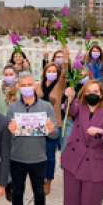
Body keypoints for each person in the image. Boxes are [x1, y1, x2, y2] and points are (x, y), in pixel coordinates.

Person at [6, 71, 58, 205]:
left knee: (39, 193)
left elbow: (55, 134)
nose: (27, 88)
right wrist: (10, 131)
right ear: (19, 87)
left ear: (35, 86)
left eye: (30, 85)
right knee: (17, 193)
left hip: (38, 158)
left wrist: (51, 129)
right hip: (17, 158)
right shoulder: (12, 108)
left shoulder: (46, 107)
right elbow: (7, 135)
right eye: (23, 85)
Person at [37, 61, 65, 195]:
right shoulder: (38, 87)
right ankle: (39, 177)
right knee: (39, 154)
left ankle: (48, 180)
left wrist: (65, 57)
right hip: (38, 125)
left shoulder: (59, 86)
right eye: (49, 71)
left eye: (54, 71)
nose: (51, 73)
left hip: (54, 125)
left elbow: (65, 73)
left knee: (50, 155)